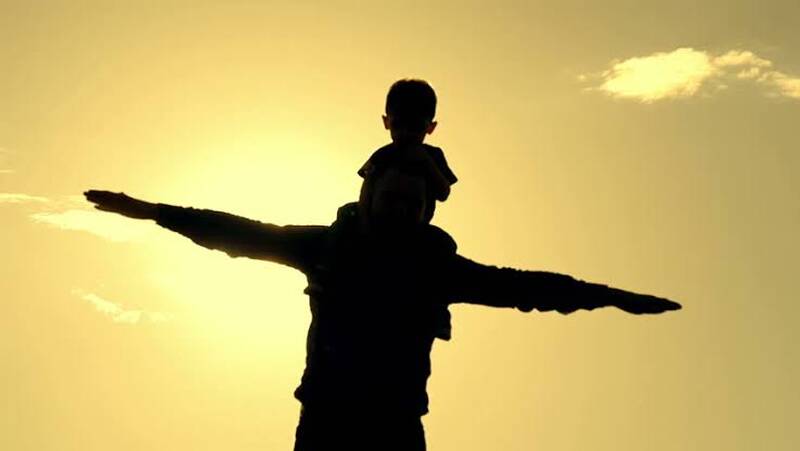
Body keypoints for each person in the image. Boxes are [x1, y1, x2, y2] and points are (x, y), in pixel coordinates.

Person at [84, 153, 681, 451]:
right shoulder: (326, 247)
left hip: (395, 429)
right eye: (391, 198)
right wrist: (152, 211)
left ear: (425, 212)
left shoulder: (435, 269)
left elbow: (529, 288)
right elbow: (238, 232)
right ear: (369, 197)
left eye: (411, 204)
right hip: (325, 423)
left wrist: (613, 298)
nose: (399, 210)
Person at [359, 79, 456, 223]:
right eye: (398, 125)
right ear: (386, 122)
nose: (405, 133)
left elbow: (443, 193)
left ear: (430, 127)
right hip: (380, 223)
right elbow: (367, 190)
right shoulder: (383, 155)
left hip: (416, 228)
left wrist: (427, 163)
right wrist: (364, 224)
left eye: (415, 127)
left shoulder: (433, 156)